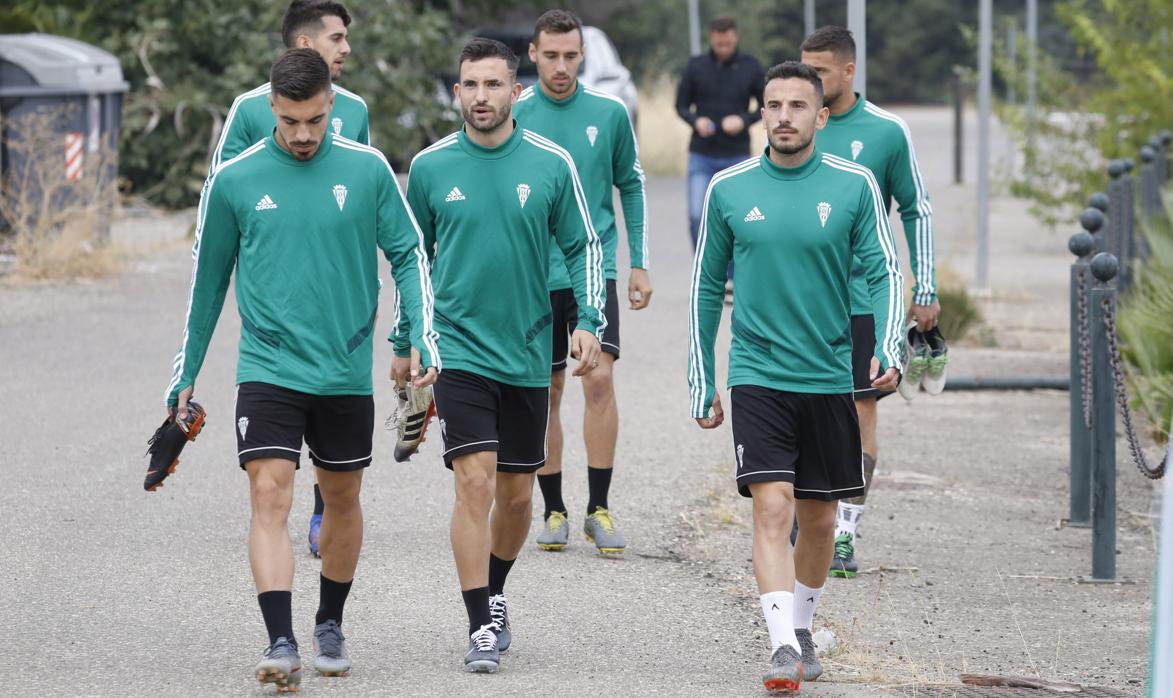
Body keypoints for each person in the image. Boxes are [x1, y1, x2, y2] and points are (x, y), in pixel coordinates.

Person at [162, 48, 438, 690]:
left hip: (342, 371)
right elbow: (207, 285)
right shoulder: (233, 180)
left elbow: (409, 255)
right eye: (290, 121)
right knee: (268, 493)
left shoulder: (368, 172)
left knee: (341, 498)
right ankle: (280, 640)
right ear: (271, 111)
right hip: (268, 366)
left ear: (331, 107)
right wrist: (186, 372)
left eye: (314, 119)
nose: (304, 134)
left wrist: (417, 333)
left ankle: (330, 624)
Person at [688, 61, 903, 692]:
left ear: (821, 115)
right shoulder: (728, 188)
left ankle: (803, 625)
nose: (784, 116)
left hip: (829, 374)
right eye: (773, 105)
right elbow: (705, 288)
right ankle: (782, 646)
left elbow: (884, 272)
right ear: (762, 113)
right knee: (772, 506)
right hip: (758, 373)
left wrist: (888, 343)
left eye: (797, 106)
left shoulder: (854, 187)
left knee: (820, 514)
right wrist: (703, 377)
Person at [393, 37, 605, 673]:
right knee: (475, 482)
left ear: (517, 92)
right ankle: (478, 620)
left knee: (516, 497)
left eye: (492, 86)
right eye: (469, 86)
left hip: (528, 350)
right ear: (456, 92)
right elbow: (412, 262)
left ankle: (497, 591)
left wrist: (589, 320)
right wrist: (406, 339)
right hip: (457, 349)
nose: (480, 97)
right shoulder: (430, 167)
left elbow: (585, 245)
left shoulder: (550, 164)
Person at [209, 0, 371, 557]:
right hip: (275, 311)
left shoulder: (356, 109)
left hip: (337, 315)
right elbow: (220, 196)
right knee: (272, 473)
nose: (346, 48)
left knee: (337, 456)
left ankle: (327, 506)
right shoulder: (248, 108)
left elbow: (362, 203)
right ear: (305, 46)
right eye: (336, 38)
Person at [800, 26, 938, 577]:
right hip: (801, 301)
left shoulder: (886, 132)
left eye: (821, 72)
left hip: (863, 297)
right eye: (804, 68)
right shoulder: (794, 120)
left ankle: (844, 531)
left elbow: (916, 209)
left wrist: (923, 287)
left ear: (849, 71)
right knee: (801, 408)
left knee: (859, 411)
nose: (809, 81)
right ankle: (807, 511)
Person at [513, 9, 651, 555]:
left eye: (572, 55)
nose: (562, 66)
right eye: (551, 55)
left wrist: (638, 261)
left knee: (599, 381)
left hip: (592, 270)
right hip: (531, 275)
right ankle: (553, 508)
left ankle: (600, 507)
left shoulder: (609, 113)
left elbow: (632, 187)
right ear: (533, 54)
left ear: (583, 56)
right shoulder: (515, 112)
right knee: (547, 391)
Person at [675, 15, 764, 275]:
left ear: (735, 37)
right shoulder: (696, 66)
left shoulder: (751, 66)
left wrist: (744, 120)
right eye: (718, 44)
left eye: (727, 43)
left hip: (737, 154)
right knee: (696, 215)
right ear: (711, 39)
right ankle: (709, 271)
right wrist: (695, 120)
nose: (723, 48)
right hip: (702, 154)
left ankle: (733, 275)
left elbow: (765, 106)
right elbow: (680, 105)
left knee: (739, 218)